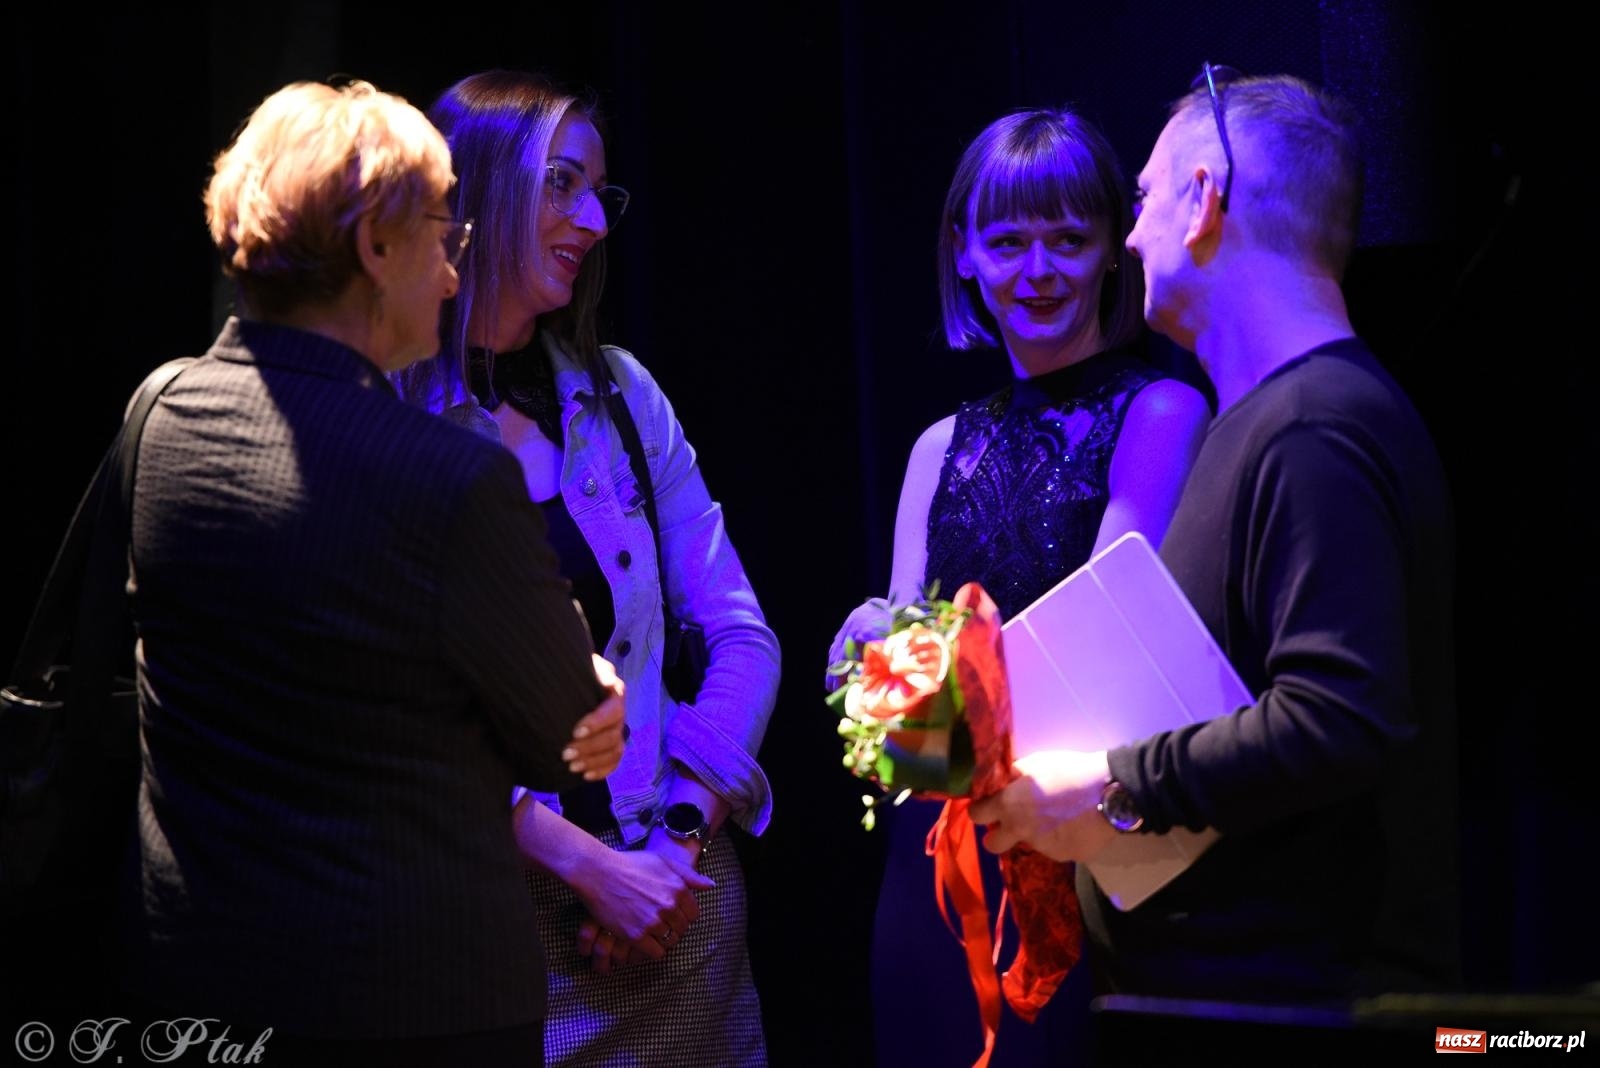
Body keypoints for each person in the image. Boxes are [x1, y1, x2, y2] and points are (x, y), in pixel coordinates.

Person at [117, 79, 626, 1066]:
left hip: (186, 991)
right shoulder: (452, 477)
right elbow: (568, 745)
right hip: (409, 1004)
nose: (450, 274)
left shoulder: (156, 412)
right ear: (373, 249)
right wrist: (589, 681)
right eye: (440, 234)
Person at [969, 69, 1460, 1010]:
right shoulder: (1275, 420)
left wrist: (1113, 788)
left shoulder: (1316, 425)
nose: (1133, 234)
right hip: (1234, 996)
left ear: (1204, 200)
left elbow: (1339, 718)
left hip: (1295, 1005)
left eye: (1146, 198)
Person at [398, 70, 780, 1067]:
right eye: (560, 184)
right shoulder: (385, 415)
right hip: (499, 937)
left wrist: (673, 848)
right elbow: (387, 716)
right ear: (474, 189)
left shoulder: (621, 397)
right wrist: (583, 866)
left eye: (597, 194)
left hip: (680, 921)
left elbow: (741, 634)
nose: (592, 222)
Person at [827, 107, 1210, 1067]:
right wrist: (865, 675)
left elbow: (1098, 663)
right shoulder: (936, 447)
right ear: (963, 253)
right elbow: (892, 723)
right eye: (1006, 242)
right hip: (934, 877)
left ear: (1111, 253)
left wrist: (906, 685)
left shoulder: (1161, 413)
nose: (1037, 271)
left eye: (1069, 242)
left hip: (1079, 865)